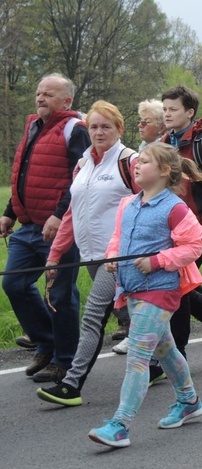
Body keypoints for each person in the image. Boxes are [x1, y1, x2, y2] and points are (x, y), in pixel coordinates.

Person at [88, 142, 202, 448]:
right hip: (131, 290)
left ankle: (120, 425)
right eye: (136, 161)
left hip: (161, 291)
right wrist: (113, 257)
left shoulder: (175, 208)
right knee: (165, 349)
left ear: (165, 171)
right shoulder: (128, 204)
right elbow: (118, 237)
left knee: (138, 358)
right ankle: (189, 401)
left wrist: (157, 261)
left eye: (144, 162)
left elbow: (194, 247)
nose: (136, 165)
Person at [36, 101, 139, 406]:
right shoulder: (83, 164)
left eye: (106, 126)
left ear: (119, 129)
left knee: (93, 316)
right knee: (132, 313)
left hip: (120, 256)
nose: (98, 132)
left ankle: (71, 384)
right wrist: (55, 255)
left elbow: (146, 204)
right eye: (93, 126)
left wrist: (129, 249)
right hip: (90, 254)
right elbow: (71, 213)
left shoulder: (128, 160)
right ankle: (164, 363)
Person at [0, 74, 89, 382]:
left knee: (60, 295)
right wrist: (10, 211)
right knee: (14, 284)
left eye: (49, 94)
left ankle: (65, 360)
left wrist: (59, 214)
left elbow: (81, 178)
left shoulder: (75, 130)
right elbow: (23, 172)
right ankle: (46, 342)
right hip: (27, 228)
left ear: (67, 101)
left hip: (59, 229)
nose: (40, 98)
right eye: (39, 93)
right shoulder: (32, 125)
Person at [156, 85, 202, 372]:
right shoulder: (165, 143)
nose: (167, 114)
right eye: (164, 109)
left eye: (173, 109)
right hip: (171, 233)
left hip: (201, 230)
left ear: (189, 112)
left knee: (176, 287)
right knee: (183, 287)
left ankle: (177, 356)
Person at [111, 98, 167, 353]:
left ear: (161, 125)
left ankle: (136, 337)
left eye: (147, 121)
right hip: (137, 230)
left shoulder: (164, 152)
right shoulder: (142, 150)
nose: (141, 125)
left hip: (160, 234)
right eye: (140, 121)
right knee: (187, 297)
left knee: (180, 293)